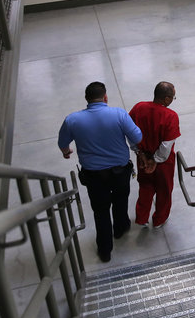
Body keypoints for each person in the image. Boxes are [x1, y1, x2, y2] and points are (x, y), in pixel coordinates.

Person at [58, 81, 142, 262]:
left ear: (87, 100)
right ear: (105, 97)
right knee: (121, 199)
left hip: (93, 176)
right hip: (120, 172)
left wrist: (67, 153)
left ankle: (105, 249)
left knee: (100, 210)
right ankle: (120, 228)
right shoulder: (119, 114)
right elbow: (137, 137)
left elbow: (62, 143)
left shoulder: (72, 119)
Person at [129, 81, 181, 229]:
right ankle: (159, 219)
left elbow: (130, 132)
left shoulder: (139, 108)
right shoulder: (171, 116)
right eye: (173, 97)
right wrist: (155, 160)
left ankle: (142, 218)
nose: (172, 100)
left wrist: (140, 153)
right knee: (164, 190)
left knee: (145, 187)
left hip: (142, 158)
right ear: (166, 99)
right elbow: (166, 145)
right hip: (163, 163)